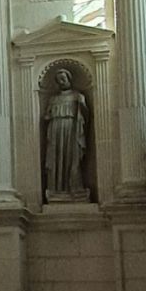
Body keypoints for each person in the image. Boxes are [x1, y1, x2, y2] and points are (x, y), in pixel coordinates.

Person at [44, 69, 89, 199]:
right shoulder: (53, 99)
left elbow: (86, 116)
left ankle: (74, 187)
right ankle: (56, 188)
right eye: (59, 80)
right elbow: (47, 114)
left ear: (69, 79)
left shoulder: (77, 96)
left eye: (63, 79)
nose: (62, 82)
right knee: (56, 158)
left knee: (72, 157)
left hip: (71, 128)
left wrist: (82, 104)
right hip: (55, 129)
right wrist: (48, 117)